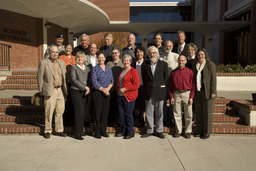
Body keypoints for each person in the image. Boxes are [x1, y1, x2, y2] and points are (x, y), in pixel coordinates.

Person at [38, 45, 68, 139]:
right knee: (49, 111)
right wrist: (41, 90)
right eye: (53, 52)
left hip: (60, 90)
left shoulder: (62, 62)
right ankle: (47, 130)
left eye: (56, 52)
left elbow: (64, 76)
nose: (55, 54)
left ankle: (59, 130)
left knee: (60, 111)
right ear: (49, 53)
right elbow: (39, 78)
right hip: (50, 90)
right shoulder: (43, 62)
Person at [141, 46, 168, 139]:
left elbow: (165, 78)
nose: (152, 54)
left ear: (157, 54)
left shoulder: (163, 64)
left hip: (159, 91)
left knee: (159, 112)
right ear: (148, 55)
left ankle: (159, 131)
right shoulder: (144, 65)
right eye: (150, 53)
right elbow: (144, 79)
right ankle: (149, 130)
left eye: (154, 53)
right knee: (149, 112)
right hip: (148, 91)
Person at [193, 48, 217, 139]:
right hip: (198, 92)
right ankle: (199, 130)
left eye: (202, 54)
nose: (200, 56)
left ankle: (207, 132)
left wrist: (213, 91)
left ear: (205, 55)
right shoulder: (195, 65)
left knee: (207, 113)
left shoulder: (210, 65)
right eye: (199, 55)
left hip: (208, 92)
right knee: (199, 113)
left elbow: (213, 79)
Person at [169, 55, 195, 139]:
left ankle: (188, 131)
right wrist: (171, 97)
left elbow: (193, 86)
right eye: (179, 60)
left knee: (188, 114)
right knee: (177, 113)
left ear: (186, 61)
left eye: (182, 60)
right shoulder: (173, 72)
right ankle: (178, 130)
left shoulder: (190, 72)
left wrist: (191, 97)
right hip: (176, 93)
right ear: (177, 61)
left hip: (187, 93)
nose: (181, 62)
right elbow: (170, 86)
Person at [116, 54, 140, 139]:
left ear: (130, 62)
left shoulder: (133, 71)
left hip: (129, 96)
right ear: (122, 61)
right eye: (124, 60)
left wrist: (126, 89)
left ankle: (130, 131)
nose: (126, 62)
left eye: (127, 61)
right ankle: (124, 130)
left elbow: (137, 85)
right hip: (120, 96)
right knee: (121, 115)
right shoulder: (122, 70)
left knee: (128, 114)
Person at [91, 52, 113, 139]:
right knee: (97, 113)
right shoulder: (95, 69)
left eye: (102, 57)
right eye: (99, 58)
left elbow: (112, 81)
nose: (101, 59)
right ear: (97, 59)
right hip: (98, 93)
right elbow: (94, 81)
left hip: (107, 93)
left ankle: (104, 131)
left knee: (105, 113)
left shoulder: (109, 69)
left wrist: (107, 89)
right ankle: (96, 131)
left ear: (105, 58)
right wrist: (103, 90)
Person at [70, 52, 91, 140]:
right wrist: (85, 87)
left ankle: (81, 131)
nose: (80, 59)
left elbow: (89, 79)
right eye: (78, 57)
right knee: (79, 111)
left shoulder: (87, 68)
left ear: (84, 59)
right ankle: (77, 133)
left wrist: (88, 88)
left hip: (84, 92)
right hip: (75, 91)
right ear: (76, 58)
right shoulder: (73, 67)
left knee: (82, 111)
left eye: (81, 57)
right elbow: (74, 80)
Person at [161, 40, 179, 125]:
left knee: (173, 102)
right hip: (163, 83)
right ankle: (163, 118)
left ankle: (172, 119)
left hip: (172, 83)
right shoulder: (161, 56)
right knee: (163, 102)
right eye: (166, 46)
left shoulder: (176, 56)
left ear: (172, 47)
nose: (168, 48)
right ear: (164, 46)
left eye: (169, 46)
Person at [59, 43, 76, 126]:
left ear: (72, 50)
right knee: (65, 101)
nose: (68, 49)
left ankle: (72, 120)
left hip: (74, 83)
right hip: (65, 82)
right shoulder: (61, 58)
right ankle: (65, 120)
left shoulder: (75, 58)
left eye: (69, 48)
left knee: (72, 101)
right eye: (67, 48)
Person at [106, 48, 124, 126]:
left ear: (119, 53)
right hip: (111, 87)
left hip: (120, 87)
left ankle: (120, 122)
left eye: (116, 53)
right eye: (113, 53)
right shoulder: (109, 64)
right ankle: (111, 121)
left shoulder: (123, 63)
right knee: (111, 104)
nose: (114, 54)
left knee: (120, 105)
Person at [132, 46, 148, 127]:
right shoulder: (133, 63)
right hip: (135, 87)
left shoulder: (147, 62)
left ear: (144, 53)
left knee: (144, 106)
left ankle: (144, 121)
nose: (139, 53)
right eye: (137, 52)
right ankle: (137, 120)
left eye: (141, 52)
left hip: (144, 87)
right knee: (136, 105)